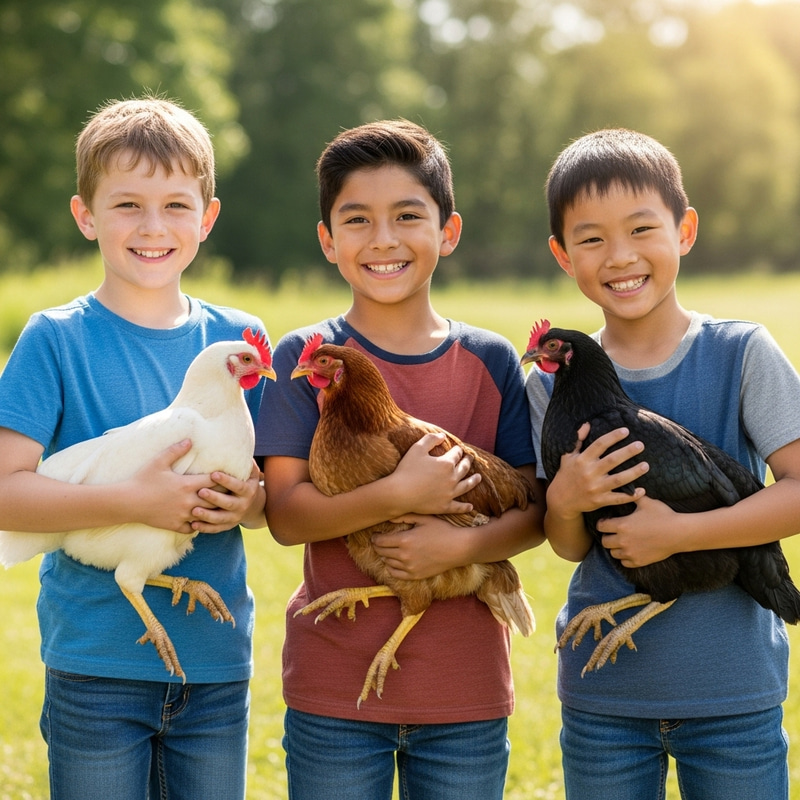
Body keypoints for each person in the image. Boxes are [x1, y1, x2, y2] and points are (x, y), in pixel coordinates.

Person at [255, 119, 546, 799]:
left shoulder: (492, 359)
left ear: (448, 231)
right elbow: (288, 516)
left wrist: (449, 548)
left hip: (463, 688)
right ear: (328, 240)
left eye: (407, 216)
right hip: (333, 687)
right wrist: (400, 493)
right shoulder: (307, 357)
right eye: (357, 219)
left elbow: (533, 510)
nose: (383, 239)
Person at [0, 96, 268, 800]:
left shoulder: (240, 341)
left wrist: (251, 500)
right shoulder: (54, 339)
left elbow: (269, 497)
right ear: (86, 216)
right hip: (94, 666)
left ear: (207, 218)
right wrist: (136, 499)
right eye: (127, 205)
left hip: (215, 668)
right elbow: (5, 492)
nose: (154, 227)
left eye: (177, 205)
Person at [525, 127, 800, 800]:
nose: (619, 256)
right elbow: (566, 546)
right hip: (604, 699)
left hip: (732, 691)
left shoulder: (741, 353)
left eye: (641, 229)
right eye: (591, 238)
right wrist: (564, 502)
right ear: (563, 255)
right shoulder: (549, 387)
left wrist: (679, 533)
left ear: (685, 230)